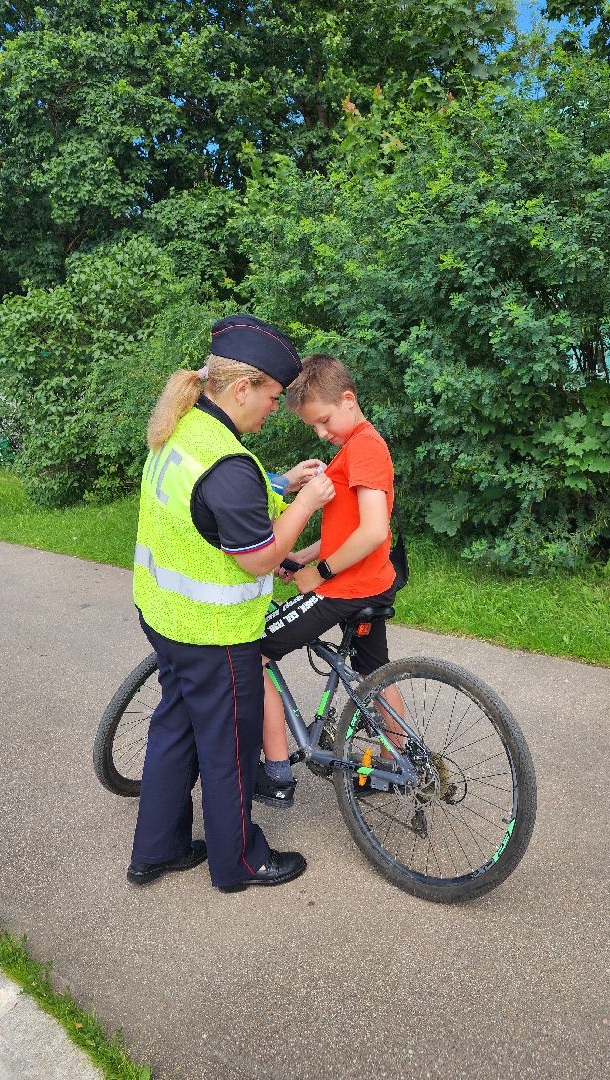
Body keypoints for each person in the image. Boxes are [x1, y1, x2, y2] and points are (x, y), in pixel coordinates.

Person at [127, 315, 334, 892]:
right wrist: (308, 501)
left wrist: (279, 484)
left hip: (163, 618)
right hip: (213, 634)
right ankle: (239, 861)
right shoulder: (228, 462)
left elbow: (216, 505)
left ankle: (159, 849)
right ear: (242, 388)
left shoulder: (186, 426)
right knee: (230, 750)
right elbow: (261, 558)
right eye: (271, 396)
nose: (273, 408)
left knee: (175, 727)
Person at [253, 353, 402, 808]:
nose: (321, 433)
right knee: (374, 671)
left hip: (345, 589)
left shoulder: (367, 448)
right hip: (368, 582)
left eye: (323, 421)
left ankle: (275, 771)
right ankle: (399, 757)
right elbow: (351, 527)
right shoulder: (354, 448)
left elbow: (375, 531)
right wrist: (303, 554)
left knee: (250, 646)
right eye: (313, 427)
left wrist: (319, 573)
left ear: (348, 399)